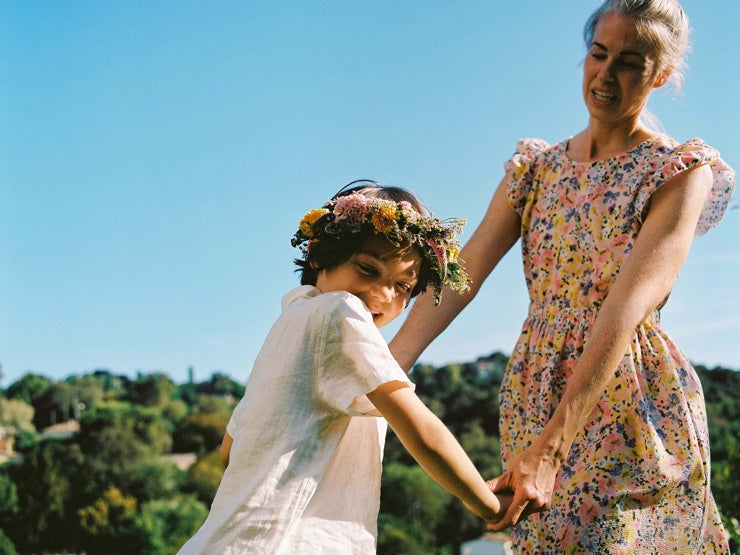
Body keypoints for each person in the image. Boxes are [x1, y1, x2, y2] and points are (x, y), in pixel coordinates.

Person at [389, 1, 734, 552]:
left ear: (662, 76)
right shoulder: (536, 168)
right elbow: (466, 270)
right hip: (535, 387)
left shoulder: (679, 171)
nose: (606, 74)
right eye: (598, 54)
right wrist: (383, 367)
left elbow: (626, 308)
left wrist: (552, 448)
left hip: (629, 396)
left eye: (630, 63)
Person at [177, 181, 510, 554]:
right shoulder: (340, 312)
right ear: (319, 254)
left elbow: (229, 449)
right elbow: (421, 430)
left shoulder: (287, 327)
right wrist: (486, 503)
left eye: (403, 286)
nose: (384, 295)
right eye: (367, 269)